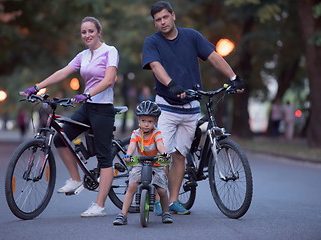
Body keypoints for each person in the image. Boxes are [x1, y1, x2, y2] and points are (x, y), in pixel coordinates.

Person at [142, 1, 245, 215]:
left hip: (191, 108)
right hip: (167, 108)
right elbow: (155, 66)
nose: (162, 22)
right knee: (162, 155)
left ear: (173, 16)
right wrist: (171, 85)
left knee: (180, 155)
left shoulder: (192, 36)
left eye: (165, 17)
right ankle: (153, 195)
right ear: (154, 23)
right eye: (158, 20)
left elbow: (214, 57)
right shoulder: (152, 42)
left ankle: (172, 201)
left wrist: (234, 77)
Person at [22, 16, 119, 217]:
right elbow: (63, 72)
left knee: (104, 158)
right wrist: (37, 87)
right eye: (84, 32)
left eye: (91, 31)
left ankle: (99, 205)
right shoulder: (83, 55)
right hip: (88, 107)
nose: (87, 35)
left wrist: (87, 94)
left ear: (99, 32)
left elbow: (109, 80)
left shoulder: (110, 51)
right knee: (60, 138)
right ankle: (75, 179)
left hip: (102, 108)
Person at [113, 100, 173, 225]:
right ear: (139, 120)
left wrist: (163, 153)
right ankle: (123, 214)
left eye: (150, 121)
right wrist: (128, 155)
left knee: (162, 190)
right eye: (143, 121)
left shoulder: (156, 133)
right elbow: (131, 145)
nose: (146, 124)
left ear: (155, 121)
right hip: (140, 162)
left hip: (156, 162)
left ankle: (166, 212)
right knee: (132, 186)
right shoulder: (136, 133)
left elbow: (160, 144)